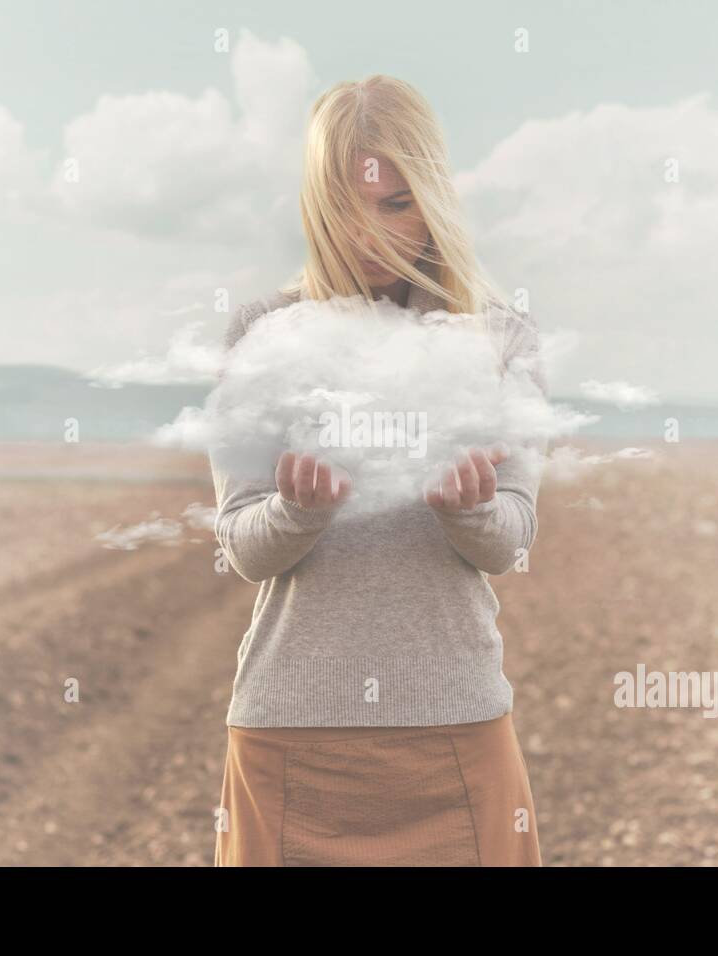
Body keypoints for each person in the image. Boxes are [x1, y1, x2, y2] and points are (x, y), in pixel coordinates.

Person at [210, 74, 547, 866]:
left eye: (396, 203)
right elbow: (241, 548)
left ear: (433, 196)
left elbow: (512, 542)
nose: (370, 233)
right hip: (291, 746)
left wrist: (468, 510)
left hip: (454, 737)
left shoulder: (502, 338)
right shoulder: (262, 332)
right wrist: (298, 510)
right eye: (347, 204)